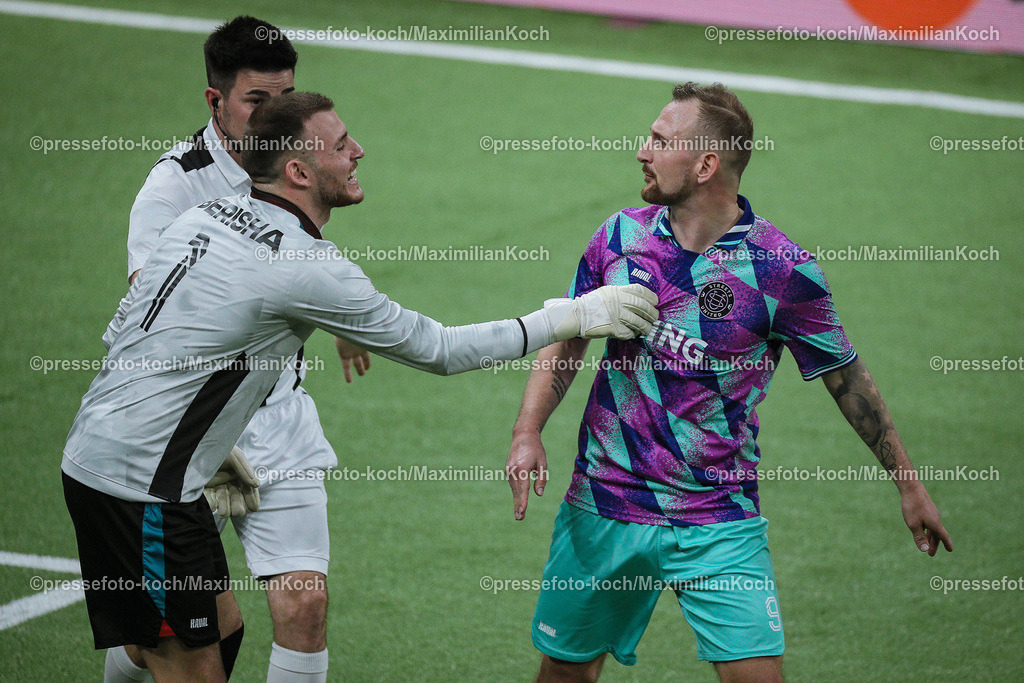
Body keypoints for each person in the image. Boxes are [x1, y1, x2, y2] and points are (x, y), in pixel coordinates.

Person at [63, 90, 659, 682]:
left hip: (114, 457)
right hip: (144, 489)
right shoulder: (305, 264)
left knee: (211, 632)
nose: (359, 151)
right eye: (342, 146)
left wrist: (201, 443)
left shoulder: (203, 215)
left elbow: (127, 327)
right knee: (185, 660)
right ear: (298, 171)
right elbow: (439, 349)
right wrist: (575, 315)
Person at [505, 82, 952, 683]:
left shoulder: (781, 270)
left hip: (718, 513)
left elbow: (847, 381)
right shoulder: (619, 238)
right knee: (563, 675)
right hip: (606, 500)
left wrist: (908, 485)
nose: (642, 151)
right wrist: (528, 429)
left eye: (660, 142)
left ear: (705, 164)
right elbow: (568, 336)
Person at [107, 17, 367, 683]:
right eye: (257, 100)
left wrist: (340, 315)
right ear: (214, 101)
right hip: (192, 434)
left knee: (305, 601)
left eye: (285, 95)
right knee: (161, 638)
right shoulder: (174, 185)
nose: (275, 112)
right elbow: (154, 320)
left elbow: (300, 248)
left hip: (281, 420)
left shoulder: (288, 158)